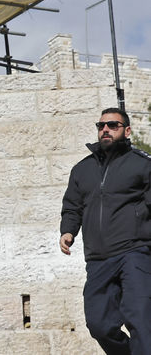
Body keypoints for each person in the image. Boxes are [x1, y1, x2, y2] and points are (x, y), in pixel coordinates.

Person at [59, 107, 151, 354]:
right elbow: (72, 206)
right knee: (98, 324)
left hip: (135, 252)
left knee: (140, 318)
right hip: (98, 258)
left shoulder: (142, 165)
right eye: (101, 126)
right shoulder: (82, 169)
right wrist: (68, 231)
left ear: (127, 130)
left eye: (113, 125)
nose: (106, 130)